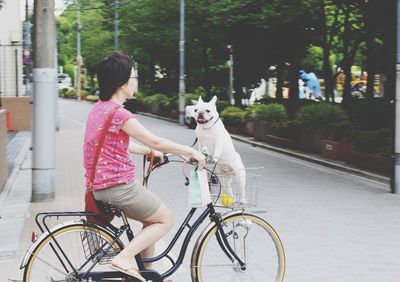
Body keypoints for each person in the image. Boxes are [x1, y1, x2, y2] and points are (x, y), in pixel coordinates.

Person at [83, 52, 205, 281]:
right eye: (134, 76)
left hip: (100, 186)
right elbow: (155, 140)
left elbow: (118, 145)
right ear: (122, 82)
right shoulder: (120, 114)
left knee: (151, 221)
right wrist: (191, 152)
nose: (136, 81)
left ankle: (146, 275)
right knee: (165, 219)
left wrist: (149, 152)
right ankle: (124, 258)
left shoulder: (99, 109)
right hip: (118, 186)